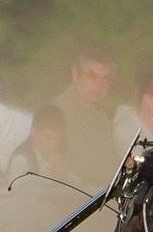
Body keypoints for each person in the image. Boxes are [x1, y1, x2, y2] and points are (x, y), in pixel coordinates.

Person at [47, 49, 120, 186]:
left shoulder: (100, 112)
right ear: (75, 75)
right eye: (91, 76)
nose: (98, 83)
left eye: (105, 79)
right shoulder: (60, 111)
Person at [8, 104, 83, 187]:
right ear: (33, 132)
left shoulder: (62, 154)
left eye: (58, 139)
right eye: (49, 138)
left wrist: (64, 175)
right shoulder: (21, 159)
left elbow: (79, 184)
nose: (54, 144)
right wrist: (53, 179)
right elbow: (14, 187)